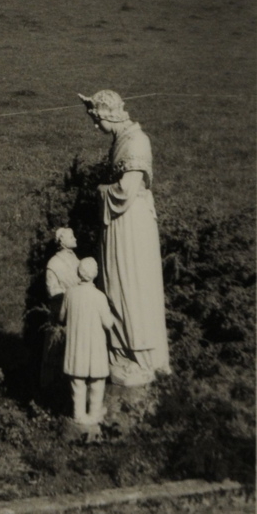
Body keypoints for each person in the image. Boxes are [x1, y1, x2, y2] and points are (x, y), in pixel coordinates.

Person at [78, 90, 170, 386]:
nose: (95, 126)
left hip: (131, 225)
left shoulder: (135, 141)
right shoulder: (123, 139)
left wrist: (101, 191)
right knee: (117, 283)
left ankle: (138, 355)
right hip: (121, 223)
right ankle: (122, 350)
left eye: (96, 120)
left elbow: (125, 191)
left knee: (130, 284)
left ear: (107, 115)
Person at [60, 257, 113, 425]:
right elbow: (108, 323)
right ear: (95, 274)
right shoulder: (99, 296)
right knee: (97, 380)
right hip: (94, 344)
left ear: (79, 273)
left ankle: (78, 414)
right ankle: (94, 414)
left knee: (77, 380)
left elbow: (61, 316)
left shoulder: (69, 294)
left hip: (76, 344)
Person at [40, 227, 80, 393]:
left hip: (78, 311)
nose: (75, 238)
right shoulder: (54, 264)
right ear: (62, 241)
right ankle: (51, 390)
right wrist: (71, 293)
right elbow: (52, 291)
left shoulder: (76, 259)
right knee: (56, 352)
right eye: (71, 236)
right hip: (61, 312)